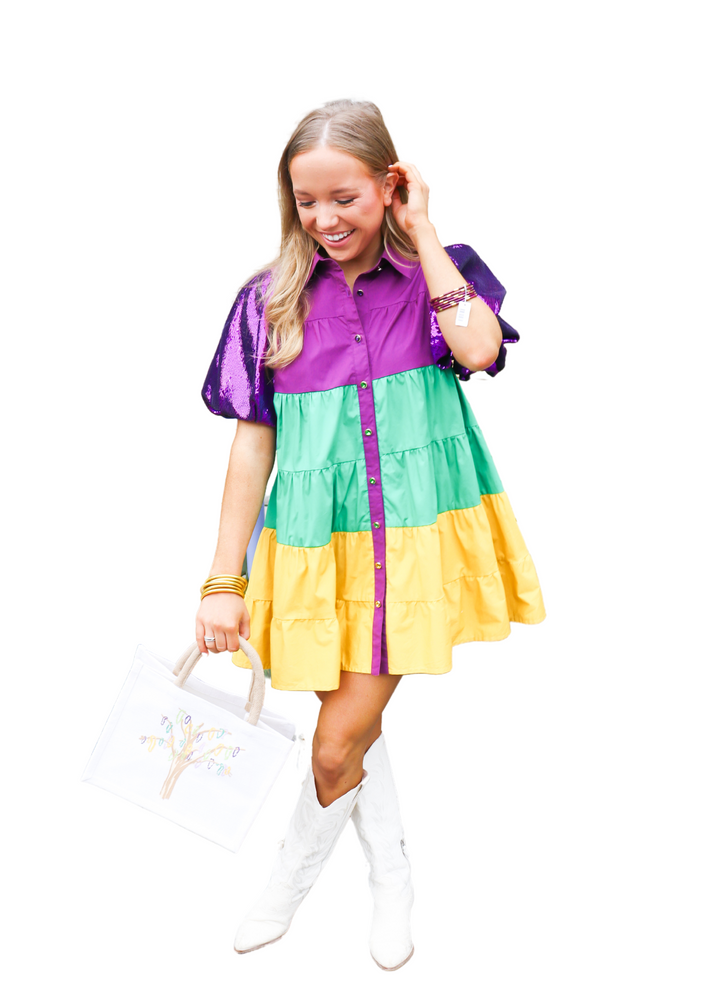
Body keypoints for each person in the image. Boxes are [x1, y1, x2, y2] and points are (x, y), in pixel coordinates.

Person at [196, 99, 546, 970]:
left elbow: (479, 350)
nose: (324, 219)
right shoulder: (268, 301)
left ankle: (296, 883)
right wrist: (223, 580)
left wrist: (422, 231)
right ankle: (391, 867)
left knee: (334, 740)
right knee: (349, 725)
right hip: (314, 547)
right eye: (306, 201)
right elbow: (252, 448)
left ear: (389, 185)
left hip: (417, 542)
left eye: (345, 198)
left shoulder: (438, 277)